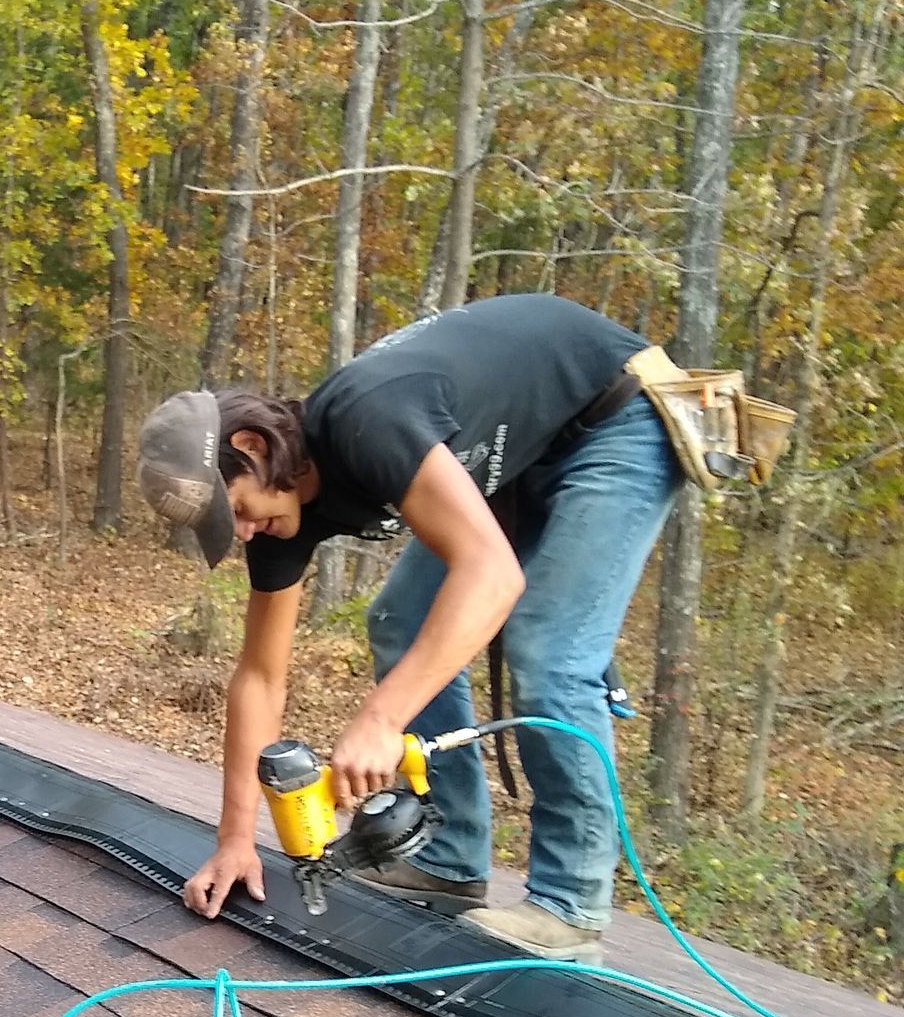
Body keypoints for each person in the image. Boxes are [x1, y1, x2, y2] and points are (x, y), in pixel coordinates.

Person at [136, 294, 686, 960]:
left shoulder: (369, 418)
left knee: (550, 648)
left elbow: (492, 577)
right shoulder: (284, 513)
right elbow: (259, 677)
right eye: (232, 530)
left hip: (615, 412)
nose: (246, 533)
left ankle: (570, 908)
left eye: (240, 512)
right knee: (401, 619)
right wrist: (234, 841)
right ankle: (446, 860)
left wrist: (380, 719)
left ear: (252, 448)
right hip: (524, 452)